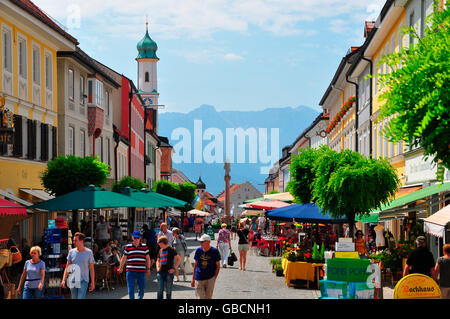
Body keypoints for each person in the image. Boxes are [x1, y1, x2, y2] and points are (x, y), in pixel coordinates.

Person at [61, 232, 95, 299]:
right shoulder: (71, 252)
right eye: (73, 240)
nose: (74, 242)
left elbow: (91, 268)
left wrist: (93, 282)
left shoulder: (89, 252)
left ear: (81, 241)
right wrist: (63, 280)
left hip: (84, 280)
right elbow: (67, 267)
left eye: (75, 240)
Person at [118, 230, 151, 299]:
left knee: (142, 288)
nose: (136, 239)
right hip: (130, 271)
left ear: (140, 238)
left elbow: (148, 259)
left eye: (138, 238)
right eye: (135, 238)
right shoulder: (128, 247)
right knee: (131, 289)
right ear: (132, 237)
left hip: (141, 271)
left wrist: (148, 269)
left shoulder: (145, 247)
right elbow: (123, 258)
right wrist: (120, 267)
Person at [191, 234, 221, 299]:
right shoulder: (198, 250)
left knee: (208, 297)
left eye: (202, 241)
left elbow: (218, 266)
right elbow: (195, 265)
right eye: (200, 242)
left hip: (210, 278)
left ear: (208, 242)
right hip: (199, 277)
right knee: (200, 298)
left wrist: (214, 278)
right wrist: (193, 278)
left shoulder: (214, 251)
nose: (200, 243)